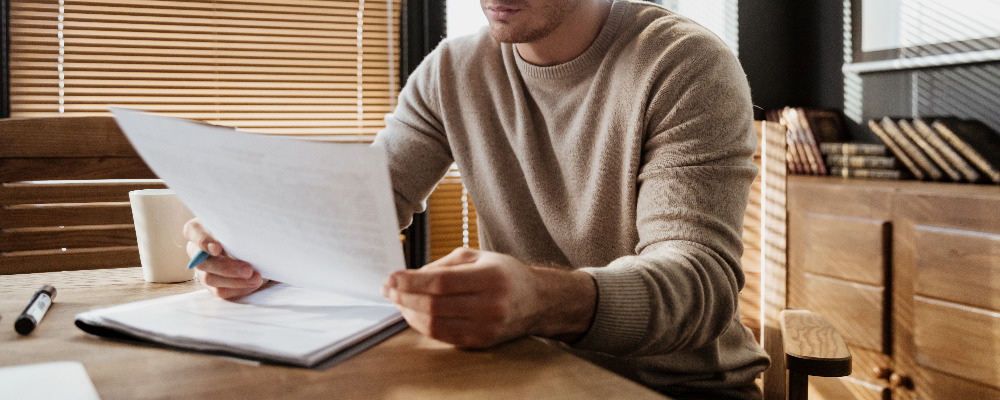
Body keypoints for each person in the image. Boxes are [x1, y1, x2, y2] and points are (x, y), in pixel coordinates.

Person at [184, 0, 770, 398]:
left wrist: (544, 299)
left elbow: (701, 283)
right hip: (525, 374)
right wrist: (255, 239)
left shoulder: (685, 64)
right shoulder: (452, 69)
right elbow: (362, 202)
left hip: (672, 386)